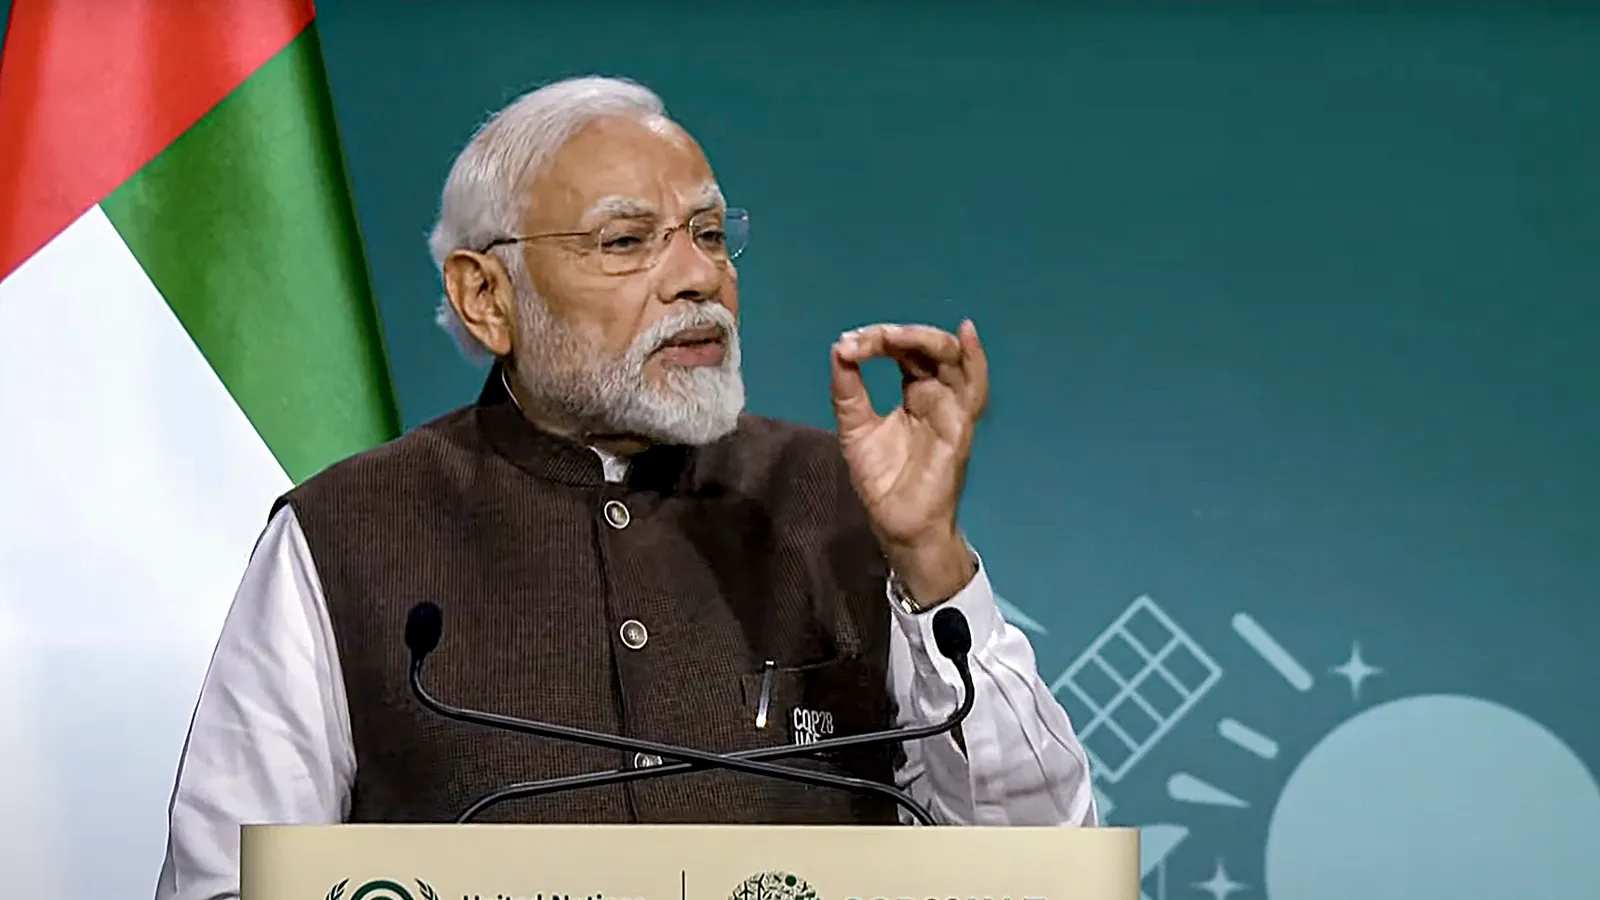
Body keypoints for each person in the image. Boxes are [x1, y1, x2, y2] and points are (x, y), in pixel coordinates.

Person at [154, 75, 1097, 900]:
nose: (698, 277)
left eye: (711, 233)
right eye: (625, 242)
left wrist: (930, 554)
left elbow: (1043, 859)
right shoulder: (342, 536)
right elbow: (230, 884)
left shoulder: (836, 498)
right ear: (488, 297)